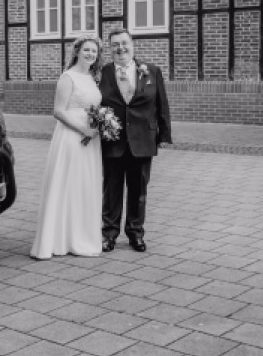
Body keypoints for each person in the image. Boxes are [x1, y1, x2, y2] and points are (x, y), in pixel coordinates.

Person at [30, 35, 104, 260]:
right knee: (69, 183)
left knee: (84, 185)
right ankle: (60, 239)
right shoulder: (68, 77)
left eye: (94, 51)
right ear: (77, 51)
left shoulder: (92, 77)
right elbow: (58, 111)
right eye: (87, 50)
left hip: (91, 138)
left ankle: (79, 236)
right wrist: (83, 130)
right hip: (72, 136)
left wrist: (100, 123)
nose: (90, 54)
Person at [99, 28, 172, 252]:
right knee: (111, 190)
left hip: (143, 139)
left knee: (138, 190)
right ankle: (109, 234)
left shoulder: (152, 71)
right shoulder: (102, 73)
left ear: (132, 44)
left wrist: (164, 135)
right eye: (115, 45)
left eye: (124, 43)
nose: (120, 48)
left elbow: (161, 104)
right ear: (110, 48)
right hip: (113, 140)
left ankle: (135, 233)